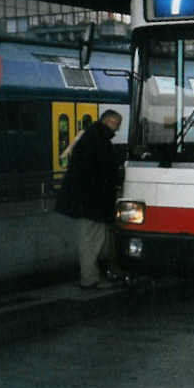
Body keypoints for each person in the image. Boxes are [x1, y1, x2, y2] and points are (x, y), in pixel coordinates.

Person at [55, 109, 123, 289]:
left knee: (93, 239)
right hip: (92, 203)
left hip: (89, 202)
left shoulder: (91, 137)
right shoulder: (99, 141)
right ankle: (89, 279)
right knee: (91, 240)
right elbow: (103, 174)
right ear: (108, 121)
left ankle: (92, 276)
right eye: (116, 124)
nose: (117, 130)